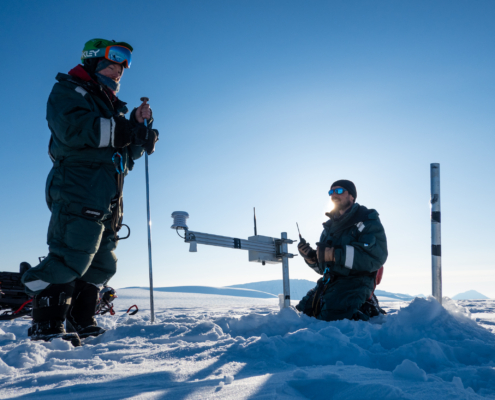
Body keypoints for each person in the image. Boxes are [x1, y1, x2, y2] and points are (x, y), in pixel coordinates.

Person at [21, 39, 159, 345]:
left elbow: (123, 154)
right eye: (112, 64)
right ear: (94, 62)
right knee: (72, 254)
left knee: (102, 261)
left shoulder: (109, 105)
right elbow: (74, 130)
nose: (119, 71)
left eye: (123, 67)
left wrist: (139, 135)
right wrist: (125, 130)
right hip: (78, 184)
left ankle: (79, 318)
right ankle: (44, 318)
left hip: (108, 192)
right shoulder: (70, 91)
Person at [296, 180, 387, 321]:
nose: (334, 195)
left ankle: (366, 308)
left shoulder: (366, 220)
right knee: (301, 315)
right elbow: (323, 268)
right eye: (331, 192)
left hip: (356, 282)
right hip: (329, 283)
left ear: (352, 196)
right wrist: (312, 257)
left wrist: (334, 254)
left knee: (332, 321)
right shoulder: (329, 228)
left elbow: (374, 256)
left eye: (339, 191)